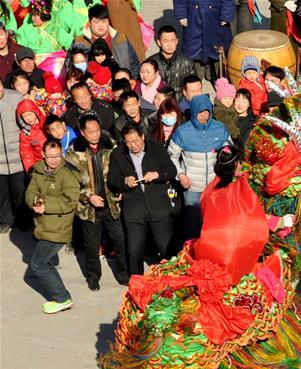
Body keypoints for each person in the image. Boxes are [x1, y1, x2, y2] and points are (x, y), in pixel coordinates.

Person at [65, 113, 129, 289]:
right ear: (83, 133)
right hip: (89, 209)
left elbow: (121, 170)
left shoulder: (111, 146)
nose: (95, 135)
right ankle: (93, 277)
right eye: (90, 132)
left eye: (97, 130)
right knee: (92, 247)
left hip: (111, 204)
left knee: (121, 240)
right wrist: (88, 196)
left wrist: (121, 189)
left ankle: (124, 274)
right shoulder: (74, 152)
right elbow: (70, 183)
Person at [107, 124, 178, 276]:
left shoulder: (156, 148)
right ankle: (137, 283)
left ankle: (172, 280)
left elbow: (172, 171)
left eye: (136, 141)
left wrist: (157, 175)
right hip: (134, 210)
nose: (134, 145)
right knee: (134, 251)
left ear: (143, 137)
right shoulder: (118, 154)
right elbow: (112, 180)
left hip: (158, 207)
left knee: (166, 247)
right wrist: (124, 181)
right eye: (129, 142)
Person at [24, 139, 81, 313]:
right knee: (44, 262)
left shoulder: (67, 173)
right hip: (43, 225)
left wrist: (46, 206)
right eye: (51, 156)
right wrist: (34, 203)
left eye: (58, 156)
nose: (55, 160)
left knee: (38, 264)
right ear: (43, 155)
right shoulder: (39, 170)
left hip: (59, 227)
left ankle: (62, 298)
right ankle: (63, 297)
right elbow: (30, 191)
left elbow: (71, 202)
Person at [167, 94, 232, 238]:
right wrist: (180, 175)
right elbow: (171, 156)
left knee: (216, 223)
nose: (203, 116)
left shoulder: (220, 129)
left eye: (206, 111)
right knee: (193, 225)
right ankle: (191, 256)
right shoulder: (182, 132)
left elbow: (229, 151)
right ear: (194, 111)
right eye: (200, 112)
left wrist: (226, 173)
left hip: (215, 186)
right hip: (192, 188)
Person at [173, 0, 233, 81]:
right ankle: (196, 68)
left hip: (215, 15)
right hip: (193, 16)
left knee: (215, 46)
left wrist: (226, 15)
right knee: (193, 46)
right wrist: (181, 15)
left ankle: (213, 68)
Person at [84, 4, 140, 77]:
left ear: (109, 22)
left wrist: (131, 81)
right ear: (89, 22)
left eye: (104, 21)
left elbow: (135, 64)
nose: (100, 25)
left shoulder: (121, 38)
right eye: (96, 22)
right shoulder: (80, 42)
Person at [0, 81, 25, 234]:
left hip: (17, 155)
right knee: (1, 194)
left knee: (19, 191)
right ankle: (5, 220)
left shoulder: (16, 97)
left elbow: (26, 120)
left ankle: (22, 220)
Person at [153, 25, 195, 94]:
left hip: (181, 101)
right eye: (165, 41)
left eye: (172, 41)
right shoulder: (151, 63)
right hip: (159, 101)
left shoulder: (187, 62)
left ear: (177, 41)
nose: (170, 45)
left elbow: (193, 87)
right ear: (159, 42)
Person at [15, 98, 45, 173]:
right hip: (40, 167)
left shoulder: (46, 124)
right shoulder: (25, 133)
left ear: (36, 112)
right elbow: (27, 154)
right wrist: (31, 171)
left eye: (30, 114)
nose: (28, 118)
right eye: (24, 116)